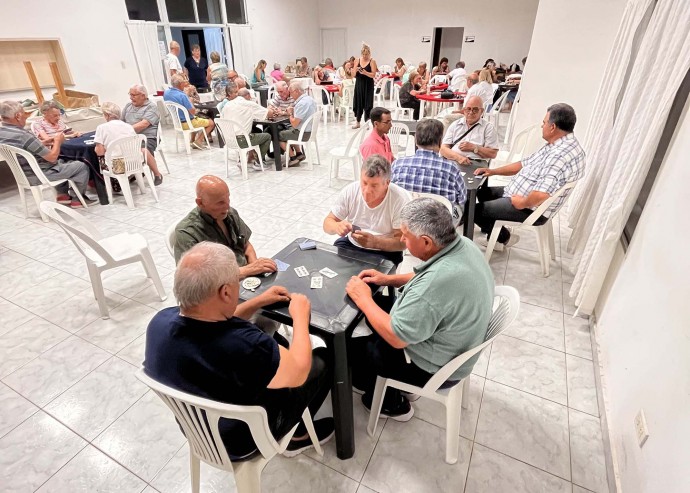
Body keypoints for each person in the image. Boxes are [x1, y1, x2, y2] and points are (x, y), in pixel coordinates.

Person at [144, 241, 334, 460]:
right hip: (244, 440)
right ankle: (297, 437)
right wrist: (300, 317)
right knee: (323, 358)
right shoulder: (247, 346)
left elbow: (215, 321)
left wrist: (258, 301)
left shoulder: (159, 322)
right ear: (225, 292)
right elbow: (299, 371)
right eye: (237, 281)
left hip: (197, 430)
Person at [345, 198, 494, 419]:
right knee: (376, 311)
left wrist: (364, 298)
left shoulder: (436, 284)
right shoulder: (462, 245)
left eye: (405, 236)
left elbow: (397, 337)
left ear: (425, 242)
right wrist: (388, 279)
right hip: (454, 344)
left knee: (348, 345)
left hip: (432, 369)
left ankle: (391, 402)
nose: (402, 239)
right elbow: (425, 274)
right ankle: (390, 387)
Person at [473, 103, 586, 250]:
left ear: (553, 127)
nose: (541, 126)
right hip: (522, 194)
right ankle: (493, 232)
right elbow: (523, 164)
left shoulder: (558, 156)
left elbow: (540, 194)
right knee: (482, 192)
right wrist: (493, 171)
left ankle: (503, 237)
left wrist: (522, 203)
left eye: (544, 123)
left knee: (473, 211)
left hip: (532, 208)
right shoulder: (561, 143)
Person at [174, 175, 277, 277]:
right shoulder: (187, 233)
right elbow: (203, 279)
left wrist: (256, 266)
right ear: (200, 203)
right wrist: (250, 270)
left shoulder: (230, 214)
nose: (227, 206)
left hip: (244, 275)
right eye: (220, 203)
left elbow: (246, 245)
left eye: (228, 199)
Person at [0, 100, 91, 208]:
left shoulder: (3, 132)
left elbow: (22, 147)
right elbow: (52, 158)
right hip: (39, 174)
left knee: (63, 162)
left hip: (23, 174)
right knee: (81, 166)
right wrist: (57, 141)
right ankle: (77, 200)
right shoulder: (23, 135)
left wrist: (41, 143)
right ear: (18, 116)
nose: (26, 116)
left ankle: (63, 196)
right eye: (24, 113)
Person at [323, 154, 410, 266]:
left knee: (366, 281)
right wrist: (336, 227)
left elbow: (403, 242)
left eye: (374, 185)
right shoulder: (351, 191)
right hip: (352, 244)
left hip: (385, 250)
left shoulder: (400, 199)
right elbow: (327, 222)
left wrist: (375, 242)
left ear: (387, 183)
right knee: (330, 270)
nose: (367, 190)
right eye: (364, 183)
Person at [392, 119, 467, 223]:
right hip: (440, 227)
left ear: (416, 140)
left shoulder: (397, 165)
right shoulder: (451, 168)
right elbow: (462, 199)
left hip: (405, 223)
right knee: (459, 208)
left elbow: (391, 193)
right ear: (440, 141)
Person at [94, 102, 163, 185]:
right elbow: (135, 144)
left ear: (107, 115)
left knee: (100, 158)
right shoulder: (128, 126)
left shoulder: (101, 128)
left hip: (118, 166)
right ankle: (155, 174)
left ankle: (113, 185)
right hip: (135, 163)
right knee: (143, 150)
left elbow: (100, 152)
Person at [220, 83, 274, 167]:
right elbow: (269, 114)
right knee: (267, 136)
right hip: (242, 141)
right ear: (247, 95)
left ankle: (249, 158)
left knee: (254, 131)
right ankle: (259, 162)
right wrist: (270, 109)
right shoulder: (248, 104)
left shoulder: (226, 105)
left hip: (229, 140)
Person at [440, 95, 498, 166]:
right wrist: (459, 158)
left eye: (475, 110)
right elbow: (443, 149)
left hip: (476, 164)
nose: (471, 112)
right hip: (454, 160)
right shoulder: (455, 125)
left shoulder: (488, 128)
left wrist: (474, 148)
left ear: (481, 111)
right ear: (464, 110)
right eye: (468, 109)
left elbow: (493, 153)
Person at [164, 74, 215, 149]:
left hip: (177, 123)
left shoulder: (166, 93)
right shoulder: (182, 95)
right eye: (184, 82)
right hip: (187, 123)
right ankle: (199, 141)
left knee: (196, 117)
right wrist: (190, 100)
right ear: (180, 84)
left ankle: (192, 140)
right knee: (211, 122)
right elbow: (193, 112)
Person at [279, 82, 316, 167]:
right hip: (310, 130)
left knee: (279, 135)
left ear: (296, 91)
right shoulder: (310, 99)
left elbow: (295, 124)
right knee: (289, 131)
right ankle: (299, 153)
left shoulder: (301, 103)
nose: (290, 95)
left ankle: (293, 158)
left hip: (303, 134)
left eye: (291, 93)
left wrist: (290, 114)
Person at [122, 84, 160, 156]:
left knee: (141, 151)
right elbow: (120, 121)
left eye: (133, 95)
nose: (130, 98)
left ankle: (151, 167)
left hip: (147, 138)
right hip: (129, 136)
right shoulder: (128, 106)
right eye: (130, 95)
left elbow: (143, 124)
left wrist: (125, 131)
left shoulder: (151, 107)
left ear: (143, 96)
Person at [352, 43, 378, 129]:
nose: (365, 56)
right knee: (358, 102)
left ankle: (367, 122)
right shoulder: (357, 60)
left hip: (368, 85)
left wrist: (365, 72)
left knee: (368, 104)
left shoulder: (372, 61)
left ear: (369, 53)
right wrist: (356, 69)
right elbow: (353, 74)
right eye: (363, 54)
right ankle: (358, 121)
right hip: (359, 84)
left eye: (366, 54)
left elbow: (373, 75)